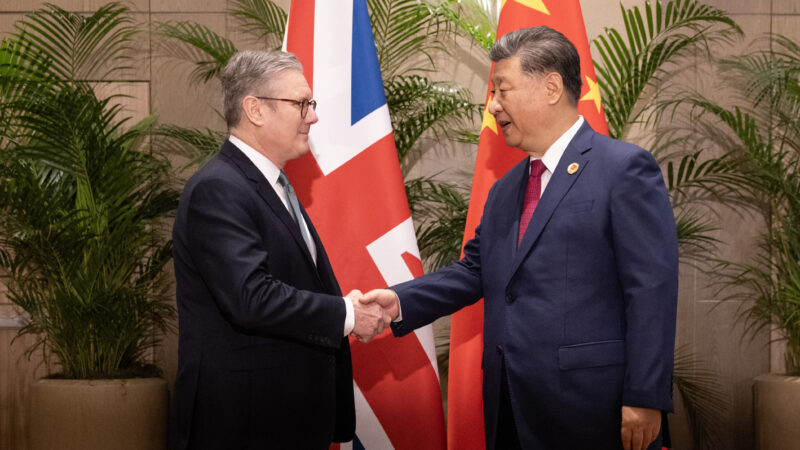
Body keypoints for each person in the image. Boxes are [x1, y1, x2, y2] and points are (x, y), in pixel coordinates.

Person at [361, 26, 678, 450]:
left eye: (502, 90)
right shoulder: (506, 188)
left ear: (550, 87)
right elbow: (475, 270)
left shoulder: (623, 169)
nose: (492, 107)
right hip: (510, 404)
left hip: (593, 408)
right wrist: (399, 302)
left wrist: (644, 394)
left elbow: (651, 289)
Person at [171, 50, 388, 450]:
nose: (313, 116)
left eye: (311, 104)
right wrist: (345, 314)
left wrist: (342, 306)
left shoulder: (271, 184)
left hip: (285, 419)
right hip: (244, 425)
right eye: (301, 104)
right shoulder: (219, 188)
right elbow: (250, 297)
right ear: (255, 109)